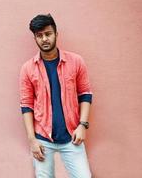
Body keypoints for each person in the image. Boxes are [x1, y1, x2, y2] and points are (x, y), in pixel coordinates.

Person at [19, 14, 92, 178]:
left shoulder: (76, 61)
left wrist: (82, 125)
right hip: (43, 138)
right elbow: (26, 105)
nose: (44, 39)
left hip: (72, 136)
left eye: (48, 34)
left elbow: (85, 94)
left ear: (56, 34)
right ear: (35, 38)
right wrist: (32, 140)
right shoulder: (27, 68)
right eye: (39, 35)